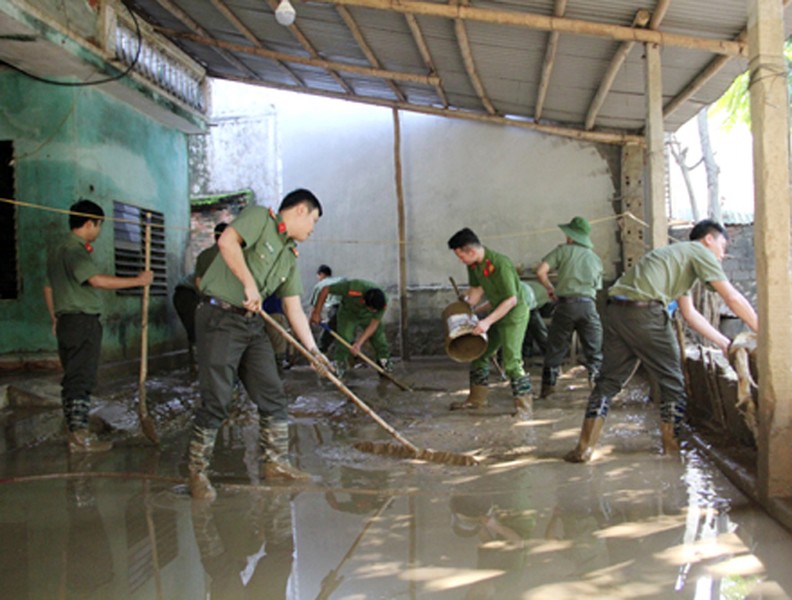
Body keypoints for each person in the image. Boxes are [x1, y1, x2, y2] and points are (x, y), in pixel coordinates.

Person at [565, 219, 759, 463]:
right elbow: (731, 298)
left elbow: (689, 314)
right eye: (723, 245)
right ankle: (671, 452)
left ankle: (584, 448)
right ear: (708, 239)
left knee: (608, 382)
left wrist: (723, 342)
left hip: (616, 311)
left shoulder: (677, 259)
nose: (724, 253)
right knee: (673, 385)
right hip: (646, 314)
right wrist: (762, 331)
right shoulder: (700, 252)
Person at [189, 189, 332, 501]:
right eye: (314, 220)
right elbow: (227, 242)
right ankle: (196, 472)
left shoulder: (290, 254)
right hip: (220, 315)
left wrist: (314, 352)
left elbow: (293, 308)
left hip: (252, 324)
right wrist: (249, 284)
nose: (313, 228)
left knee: (273, 394)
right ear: (299, 211)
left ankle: (276, 464)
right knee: (218, 399)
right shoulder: (259, 218)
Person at [44, 199, 153, 453]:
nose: (99, 231)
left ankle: (76, 429)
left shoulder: (57, 250)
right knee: (81, 377)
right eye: (99, 225)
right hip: (82, 321)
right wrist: (138, 280)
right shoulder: (75, 250)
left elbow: (48, 288)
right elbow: (96, 280)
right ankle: (80, 436)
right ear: (91, 223)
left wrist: (54, 318)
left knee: (73, 376)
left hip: (66, 321)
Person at [446, 228, 532, 418]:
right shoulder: (474, 265)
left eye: (461, 256)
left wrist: (485, 322)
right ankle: (476, 400)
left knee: (511, 361)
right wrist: (467, 308)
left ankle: (524, 408)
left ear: (471, 251)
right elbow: (476, 290)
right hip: (495, 311)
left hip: (514, 314)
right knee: (479, 353)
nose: (461, 260)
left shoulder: (501, 264)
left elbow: (511, 300)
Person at [535, 216, 603, 398]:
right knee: (594, 351)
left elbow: (540, 271)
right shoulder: (595, 259)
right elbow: (596, 287)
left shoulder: (563, 251)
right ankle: (597, 392)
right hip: (588, 307)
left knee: (556, 348)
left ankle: (547, 392)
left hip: (565, 306)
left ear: (571, 236)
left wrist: (550, 288)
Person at [310, 279, 392, 380]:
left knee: (379, 339)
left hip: (368, 317)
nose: (375, 311)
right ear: (363, 301)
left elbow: (374, 324)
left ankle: (384, 364)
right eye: (373, 309)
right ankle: (340, 366)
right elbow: (325, 289)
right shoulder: (353, 287)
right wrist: (317, 312)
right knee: (345, 339)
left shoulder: (383, 301)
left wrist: (358, 344)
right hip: (348, 314)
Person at [173, 222, 228, 368]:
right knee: (198, 330)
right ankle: (198, 366)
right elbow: (200, 284)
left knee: (203, 330)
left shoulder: (223, 253)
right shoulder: (215, 254)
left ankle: (200, 365)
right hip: (188, 294)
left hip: (195, 294)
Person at [309, 264, 345, 353]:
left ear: (321, 274)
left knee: (326, 334)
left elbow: (315, 306)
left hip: (335, 309)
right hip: (350, 308)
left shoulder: (320, 284)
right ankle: (352, 356)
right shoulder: (341, 280)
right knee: (346, 333)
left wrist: (309, 323)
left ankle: (320, 354)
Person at [521, 280, 550, 361]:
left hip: (530, 301)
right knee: (535, 324)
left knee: (531, 323)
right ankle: (548, 353)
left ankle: (527, 351)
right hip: (529, 301)